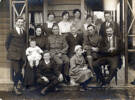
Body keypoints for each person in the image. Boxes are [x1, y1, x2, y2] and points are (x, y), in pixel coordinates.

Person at [5, 16, 26, 95]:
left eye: (22, 22)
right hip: (14, 55)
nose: (20, 23)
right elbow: (7, 43)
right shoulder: (11, 32)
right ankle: (15, 87)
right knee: (17, 71)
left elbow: (24, 43)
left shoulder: (24, 32)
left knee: (19, 71)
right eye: (19, 22)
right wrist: (11, 52)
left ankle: (22, 84)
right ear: (16, 22)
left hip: (21, 55)